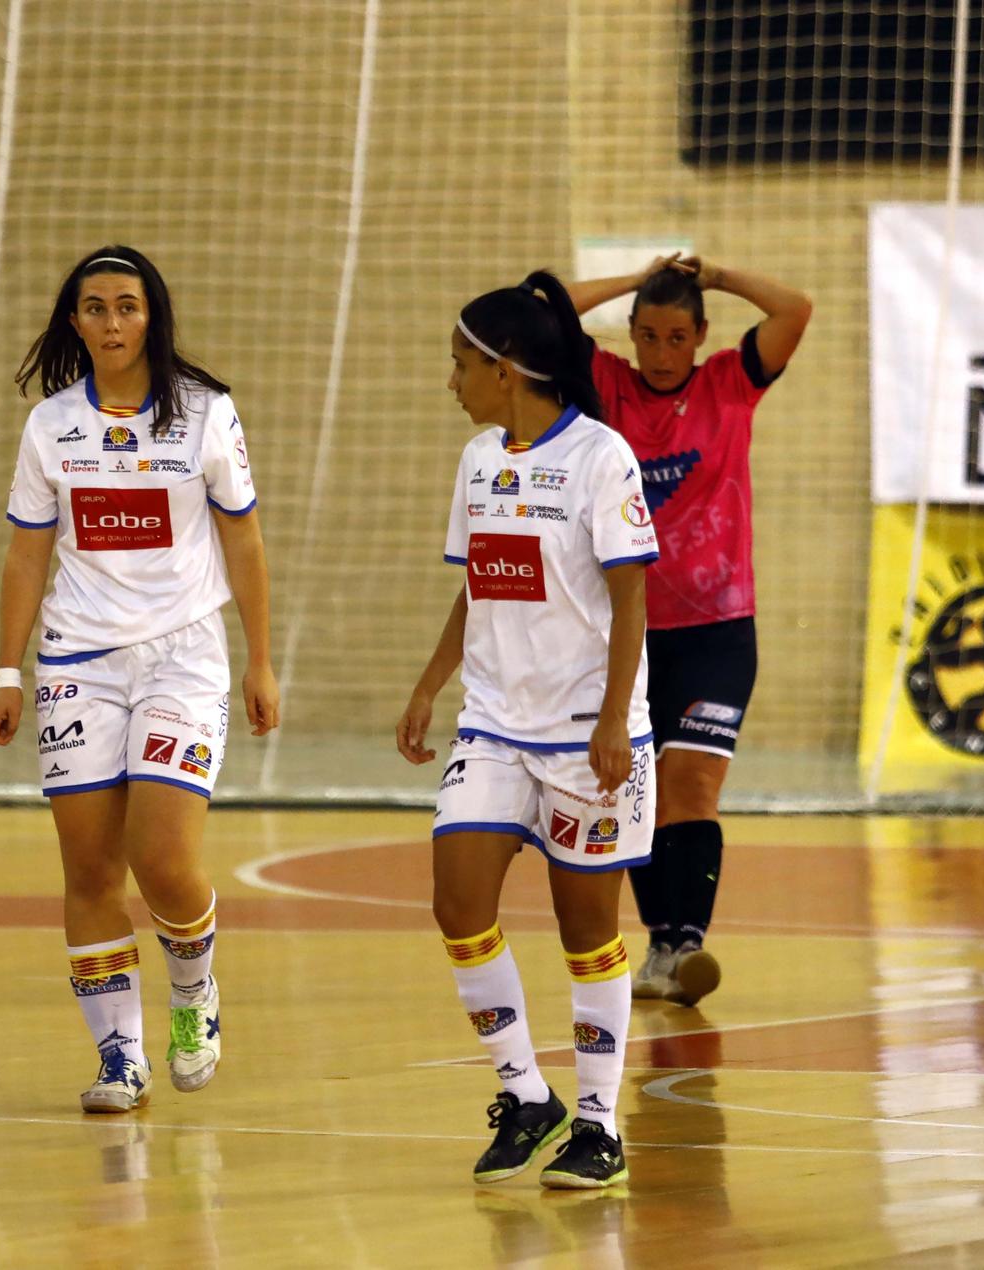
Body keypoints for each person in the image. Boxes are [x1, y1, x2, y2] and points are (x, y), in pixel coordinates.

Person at [0, 245, 279, 1114]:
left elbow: (245, 540)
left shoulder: (205, 414)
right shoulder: (51, 426)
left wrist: (259, 658)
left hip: (183, 657)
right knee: (88, 870)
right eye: (96, 308)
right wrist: (8, 672)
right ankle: (119, 1055)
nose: (112, 323)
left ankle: (194, 991)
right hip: (77, 659)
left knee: (161, 857)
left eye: (128, 306)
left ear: (153, 316)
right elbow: (25, 555)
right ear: (73, 322)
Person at [396, 271, 658, 1189]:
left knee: (587, 933)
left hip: (589, 733)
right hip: (494, 729)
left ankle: (598, 1123)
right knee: (457, 902)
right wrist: (432, 684)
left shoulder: (601, 457)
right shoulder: (478, 458)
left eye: (462, 363)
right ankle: (526, 1094)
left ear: (507, 370)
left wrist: (618, 720)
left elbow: (631, 599)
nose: (453, 379)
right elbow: (478, 584)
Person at [566, 254, 811, 1005]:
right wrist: (633, 276)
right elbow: (541, 308)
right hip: (629, 631)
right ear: (631, 336)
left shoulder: (728, 383)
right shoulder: (605, 384)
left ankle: (686, 946)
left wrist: (724, 277)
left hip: (719, 628)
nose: (664, 354)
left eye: (678, 337)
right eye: (648, 336)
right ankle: (661, 952)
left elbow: (795, 309)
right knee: (635, 787)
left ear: (702, 336)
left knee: (692, 784)